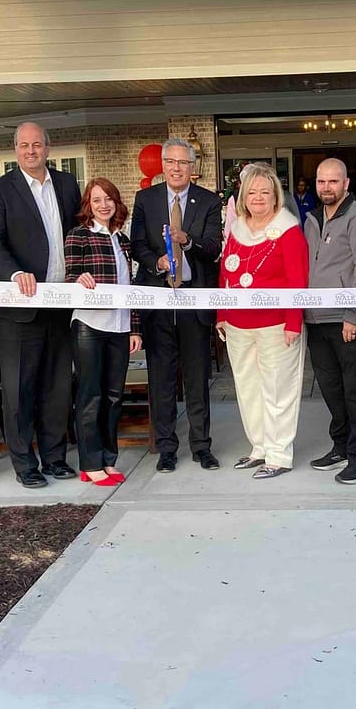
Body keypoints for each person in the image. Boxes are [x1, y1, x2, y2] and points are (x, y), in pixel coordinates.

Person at [0, 121, 82, 488]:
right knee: (20, 389)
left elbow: (79, 233)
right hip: (21, 305)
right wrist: (14, 272)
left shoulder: (68, 185)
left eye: (36, 144)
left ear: (48, 148)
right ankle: (25, 464)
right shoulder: (0, 188)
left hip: (61, 302)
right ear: (15, 150)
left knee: (58, 386)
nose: (30, 151)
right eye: (23, 145)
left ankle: (55, 457)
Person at [131, 139, 223, 473]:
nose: (175, 167)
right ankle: (166, 447)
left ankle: (202, 447)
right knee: (162, 379)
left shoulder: (210, 201)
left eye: (183, 162)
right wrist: (156, 261)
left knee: (197, 380)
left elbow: (213, 248)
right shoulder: (146, 199)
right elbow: (137, 245)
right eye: (170, 161)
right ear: (163, 165)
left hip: (193, 301)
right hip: (158, 301)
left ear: (192, 167)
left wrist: (189, 241)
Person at [218, 163, 308, 479]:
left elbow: (299, 280)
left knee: (278, 389)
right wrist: (221, 313)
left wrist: (293, 322)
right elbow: (225, 274)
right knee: (248, 388)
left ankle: (279, 454)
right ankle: (259, 448)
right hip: (238, 325)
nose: (258, 198)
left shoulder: (288, 230)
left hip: (275, 325)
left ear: (275, 197)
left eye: (265, 192)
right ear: (243, 196)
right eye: (252, 192)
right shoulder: (237, 228)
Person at [303, 157, 356, 484]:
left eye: (333, 181)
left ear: (346, 183)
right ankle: (341, 446)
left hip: (349, 322)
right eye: (321, 181)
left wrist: (355, 315)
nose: (326, 187)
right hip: (316, 321)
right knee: (331, 389)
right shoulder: (311, 219)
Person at [64, 178, 142, 487]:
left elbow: (131, 288)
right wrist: (78, 279)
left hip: (120, 326)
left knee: (113, 396)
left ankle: (109, 460)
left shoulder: (123, 240)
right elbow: (70, 275)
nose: (104, 204)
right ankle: (90, 463)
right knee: (90, 395)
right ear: (88, 205)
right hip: (89, 325)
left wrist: (134, 328)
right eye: (97, 200)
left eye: (108, 198)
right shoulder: (79, 235)